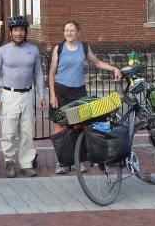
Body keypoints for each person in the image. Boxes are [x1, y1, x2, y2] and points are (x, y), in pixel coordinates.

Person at [48, 19, 122, 174]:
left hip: (78, 91)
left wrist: (113, 68)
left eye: (72, 30)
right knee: (61, 127)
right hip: (61, 90)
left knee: (79, 126)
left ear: (78, 32)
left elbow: (97, 62)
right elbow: (52, 72)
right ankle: (61, 162)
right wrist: (52, 95)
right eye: (66, 30)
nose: (69, 33)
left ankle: (78, 160)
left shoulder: (84, 47)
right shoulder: (59, 48)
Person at [0, 15, 46, 178]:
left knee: (28, 131)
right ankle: (9, 161)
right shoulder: (2, 51)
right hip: (10, 95)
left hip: (27, 94)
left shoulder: (33, 50)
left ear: (26, 32)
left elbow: (38, 74)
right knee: (8, 131)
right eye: (15, 30)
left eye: (21, 30)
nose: (19, 33)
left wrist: (42, 95)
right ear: (11, 32)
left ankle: (27, 164)